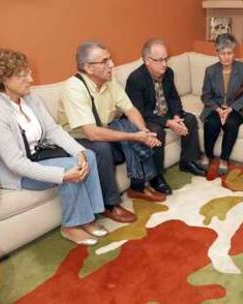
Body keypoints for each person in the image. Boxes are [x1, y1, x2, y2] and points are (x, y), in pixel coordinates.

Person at [0, 48, 107, 246]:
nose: (31, 79)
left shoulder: (30, 98)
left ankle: (89, 217)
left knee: (88, 155)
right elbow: (15, 162)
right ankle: (71, 226)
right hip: (18, 172)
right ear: (5, 80)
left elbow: (53, 130)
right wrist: (61, 176)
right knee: (67, 168)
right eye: (24, 75)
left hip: (40, 156)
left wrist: (78, 151)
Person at [59, 41, 166, 224]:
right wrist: (133, 136)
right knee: (102, 148)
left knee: (135, 127)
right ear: (88, 68)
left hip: (105, 127)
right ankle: (110, 205)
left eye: (110, 59)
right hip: (78, 139)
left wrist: (143, 132)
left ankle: (138, 187)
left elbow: (130, 109)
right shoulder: (74, 88)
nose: (112, 65)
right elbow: (91, 133)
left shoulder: (109, 80)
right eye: (105, 61)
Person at [125, 39, 206, 195]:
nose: (164, 64)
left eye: (166, 59)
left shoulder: (168, 73)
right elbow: (139, 111)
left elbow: (174, 98)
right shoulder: (135, 79)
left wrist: (176, 116)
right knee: (157, 132)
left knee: (189, 119)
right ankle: (156, 176)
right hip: (146, 118)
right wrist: (168, 122)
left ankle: (188, 161)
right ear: (147, 61)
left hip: (165, 113)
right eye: (160, 60)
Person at [200, 33, 243, 174]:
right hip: (215, 106)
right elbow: (205, 95)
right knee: (211, 123)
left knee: (231, 124)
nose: (226, 57)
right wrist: (218, 110)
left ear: (234, 52)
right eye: (222, 53)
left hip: (236, 107)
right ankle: (208, 155)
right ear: (216, 53)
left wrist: (230, 109)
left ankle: (224, 159)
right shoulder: (210, 71)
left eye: (229, 53)